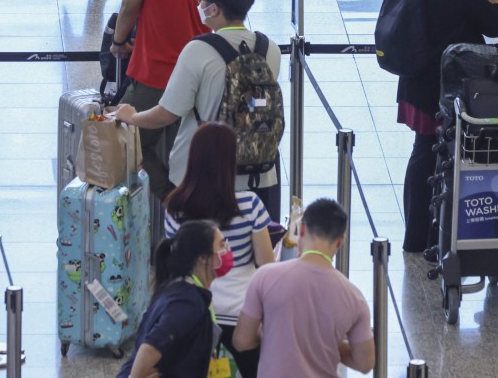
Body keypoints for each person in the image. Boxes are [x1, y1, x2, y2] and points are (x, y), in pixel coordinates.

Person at [114, 0, 283, 220]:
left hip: (203, 174)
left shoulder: (198, 50)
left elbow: (167, 113)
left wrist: (131, 116)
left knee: (202, 254)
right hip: (260, 173)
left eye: (201, 0)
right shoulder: (270, 49)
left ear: (214, 9)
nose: (198, 3)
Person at [109, 0, 230, 199]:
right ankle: (184, 202)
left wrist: (119, 41)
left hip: (153, 76)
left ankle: (168, 198)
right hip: (197, 79)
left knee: (129, 143)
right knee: (188, 151)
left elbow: (129, 6)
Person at [398, 0, 498, 254]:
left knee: (421, 154)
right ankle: (432, 234)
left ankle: (415, 235)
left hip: (415, 83)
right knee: (439, 159)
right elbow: (496, 25)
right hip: (442, 91)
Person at [163, 122, 274, 378]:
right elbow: (266, 265)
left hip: (195, 315)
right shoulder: (249, 204)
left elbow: (177, 265)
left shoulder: (175, 207)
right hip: (243, 318)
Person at [232, 198, 374, 378]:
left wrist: (273, 335)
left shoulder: (265, 277)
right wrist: (327, 343)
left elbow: (241, 341)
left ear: (303, 229)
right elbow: (365, 362)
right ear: (340, 241)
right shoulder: (355, 298)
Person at [117, 220, 227, 378]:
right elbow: (150, 347)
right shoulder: (187, 302)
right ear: (203, 257)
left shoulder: (178, 289)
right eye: (222, 245)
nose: (227, 251)